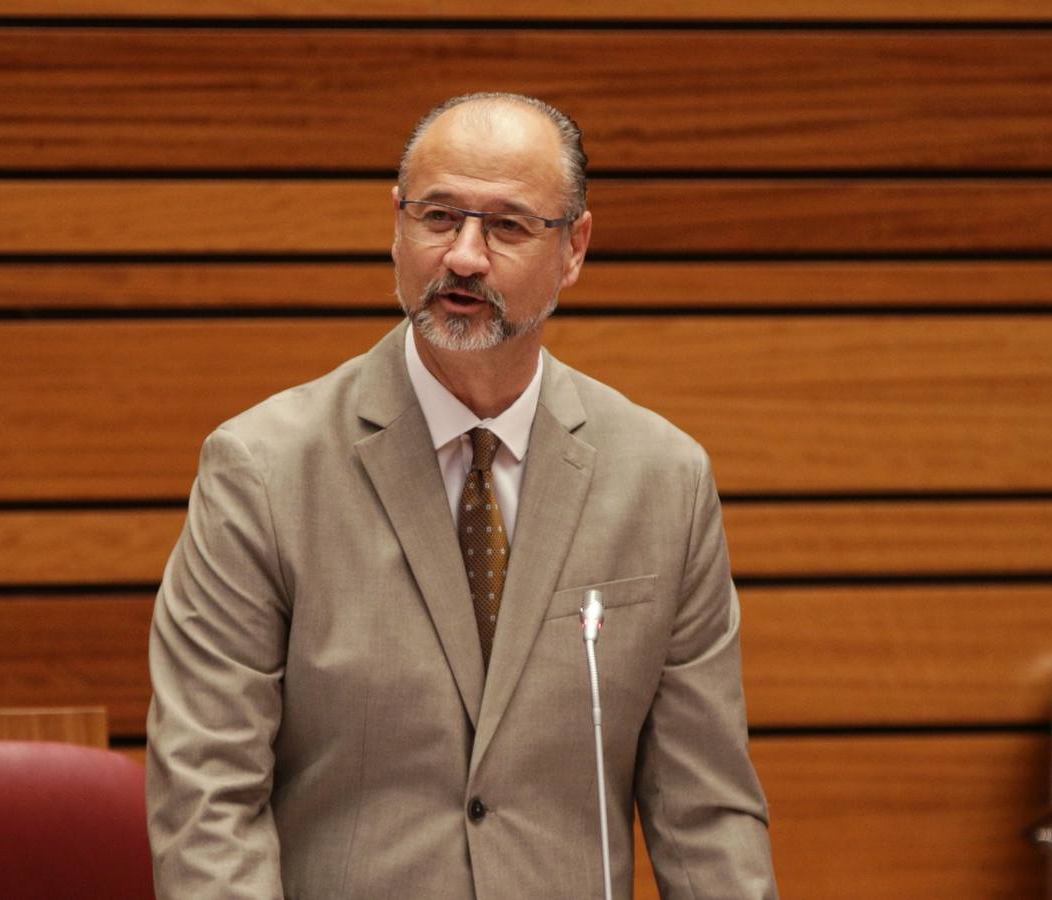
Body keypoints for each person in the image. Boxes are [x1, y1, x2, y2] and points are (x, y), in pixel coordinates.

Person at [146, 92, 778, 899]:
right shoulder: (262, 472)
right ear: (397, 225)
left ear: (575, 247)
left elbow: (708, 814)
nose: (465, 257)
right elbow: (208, 799)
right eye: (439, 217)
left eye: (509, 226)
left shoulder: (662, 480)